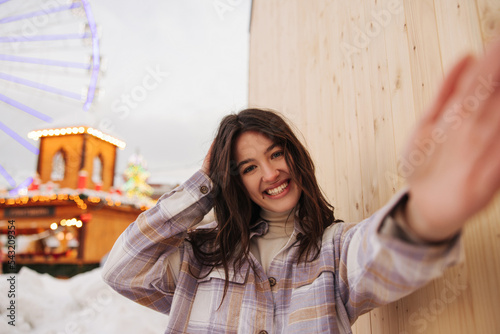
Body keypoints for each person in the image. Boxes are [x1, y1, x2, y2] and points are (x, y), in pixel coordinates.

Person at [102, 39, 500, 333]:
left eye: (276, 154)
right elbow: (123, 269)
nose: (271, 174)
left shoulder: (335, 250)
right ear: (233, 181)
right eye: (248, 167)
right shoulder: (199, 258)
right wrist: (204, 184)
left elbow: (381, 256)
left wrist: (423, 214)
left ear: (295, 156)